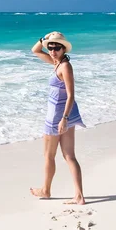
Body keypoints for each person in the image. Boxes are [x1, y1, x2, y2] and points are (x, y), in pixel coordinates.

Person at [29, 31, 86, 204]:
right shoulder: (57, 63)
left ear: (64, 49)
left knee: (49, 156)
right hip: (65, 115)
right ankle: (79, 196)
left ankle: (45, 190)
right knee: (69, 156)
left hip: (57, 116)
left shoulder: (64, 67)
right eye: (51, 47)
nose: (53, 51)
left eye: (57, 47)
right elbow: (36, 51)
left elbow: (71, 95)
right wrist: (44, 39)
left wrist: (64, 118)